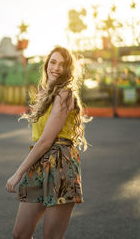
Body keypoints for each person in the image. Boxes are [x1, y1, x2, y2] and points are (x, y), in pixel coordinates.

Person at [5, 46, 91, 239]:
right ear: (46, 64)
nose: (56, 68)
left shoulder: (65, 94)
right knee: (20, 234)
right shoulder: (45, 94)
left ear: (68, 70)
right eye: (53, 62)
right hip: (39, 164)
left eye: (62, 64)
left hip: (61, 164)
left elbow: (45, 141)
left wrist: (18, 173)